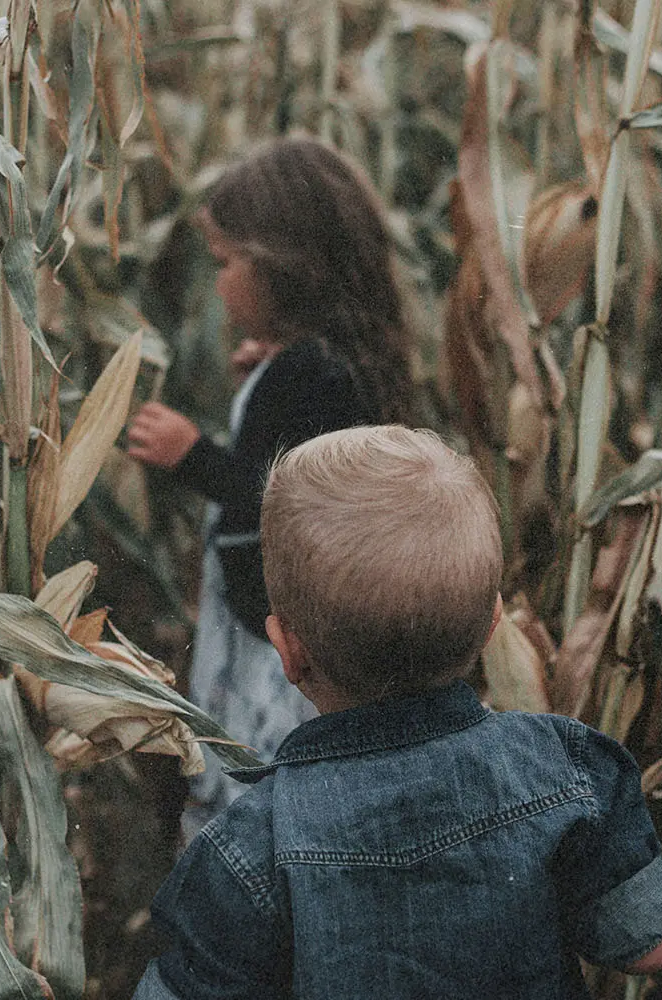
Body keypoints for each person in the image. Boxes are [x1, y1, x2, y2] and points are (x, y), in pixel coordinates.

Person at [134, 426, 662, 1000]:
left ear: (288, 650)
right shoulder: (563, 767)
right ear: (494, 623)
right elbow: (653, 940)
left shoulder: (249, 848)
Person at [126, 138, 414, 838]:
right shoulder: (319, 364)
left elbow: (293, 496)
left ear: (287, 269)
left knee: (258, 784)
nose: (218, 286)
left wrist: (194, 457)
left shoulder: (314, 376)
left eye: (227, 265)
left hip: (278, 643)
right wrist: (262, 378)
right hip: (272, 629)